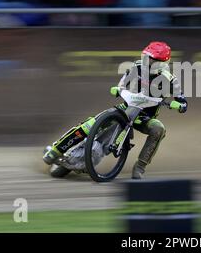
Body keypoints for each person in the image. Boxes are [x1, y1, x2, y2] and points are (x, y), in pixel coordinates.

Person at [43, 41, 188, 179]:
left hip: (145, 117)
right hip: (125, 109)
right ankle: (56, 150)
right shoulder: (136, 67)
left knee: (159, 129)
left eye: (152, 60)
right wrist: (118, 89)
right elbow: (122, 83)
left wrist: (179, 105)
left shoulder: (170, 79)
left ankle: (139, 167)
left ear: (162, 63)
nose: (147, 62)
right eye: (146, 58)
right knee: (90, 124)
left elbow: (183, 101)